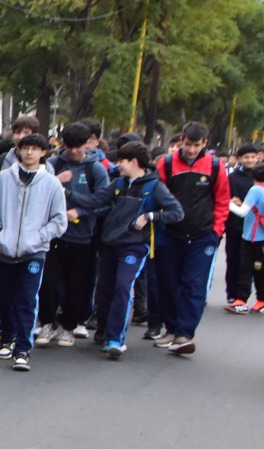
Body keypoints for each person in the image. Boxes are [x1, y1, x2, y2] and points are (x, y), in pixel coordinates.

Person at [77, 142, 182, 359]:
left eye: (121, 161)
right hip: (109, 245)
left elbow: (176, 212)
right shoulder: (118, 183)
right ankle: (105, 330)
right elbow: (95, 201)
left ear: (134, 162)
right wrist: (65, 192)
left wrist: (150, 216)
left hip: (135, 247)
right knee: (106, 289)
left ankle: (116, 340)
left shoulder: (155, 187)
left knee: (123, 288)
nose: (118, 165)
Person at [0, 134, 67, 371]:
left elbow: (59, 220)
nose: (29, 153)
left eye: (34, 149)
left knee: (27, 298)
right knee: (4, 298)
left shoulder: (51, 183)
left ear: (43, 152)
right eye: (25, 148)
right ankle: (7, 337)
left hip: (34, 252)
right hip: (3, 250)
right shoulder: (4, 178)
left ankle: (22, 349)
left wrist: (39, 237)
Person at [151, 123, 231, 355]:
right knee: (168, 283)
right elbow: (159, 196)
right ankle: (171, 328)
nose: (192, 149)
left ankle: (184, 333)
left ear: (205, 143)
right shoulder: (166, 164)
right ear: (181, 141)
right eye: (188, 144)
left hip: (202, 236)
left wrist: (216, 231)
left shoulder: (216, 167)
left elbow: (222, 201)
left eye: (196, 145)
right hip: (171, 233)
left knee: (193, 285)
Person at [35, 123, 109, 344]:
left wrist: (79, 208)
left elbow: (103, 202)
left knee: (76, 285)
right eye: (69, 147)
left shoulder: (96, 169)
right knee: (47, 281)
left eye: (78, 147)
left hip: (82, 237)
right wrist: (56, 182)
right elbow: (39, 191)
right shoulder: (54, 164)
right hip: (53, 236)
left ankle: (68, 326)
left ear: (87, 144)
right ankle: (47, 324)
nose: (74, 151)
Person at [225, 144, 263, 311]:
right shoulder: (234, 178)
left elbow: (241, 209)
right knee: (252, 266)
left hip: (252, 233)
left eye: (253, 157)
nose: (250, 160)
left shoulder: (255, 189)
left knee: (249, 266)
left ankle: (244, 298)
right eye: (246, 157)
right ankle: (253, 298)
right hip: (248, 233)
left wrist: (232, 204)